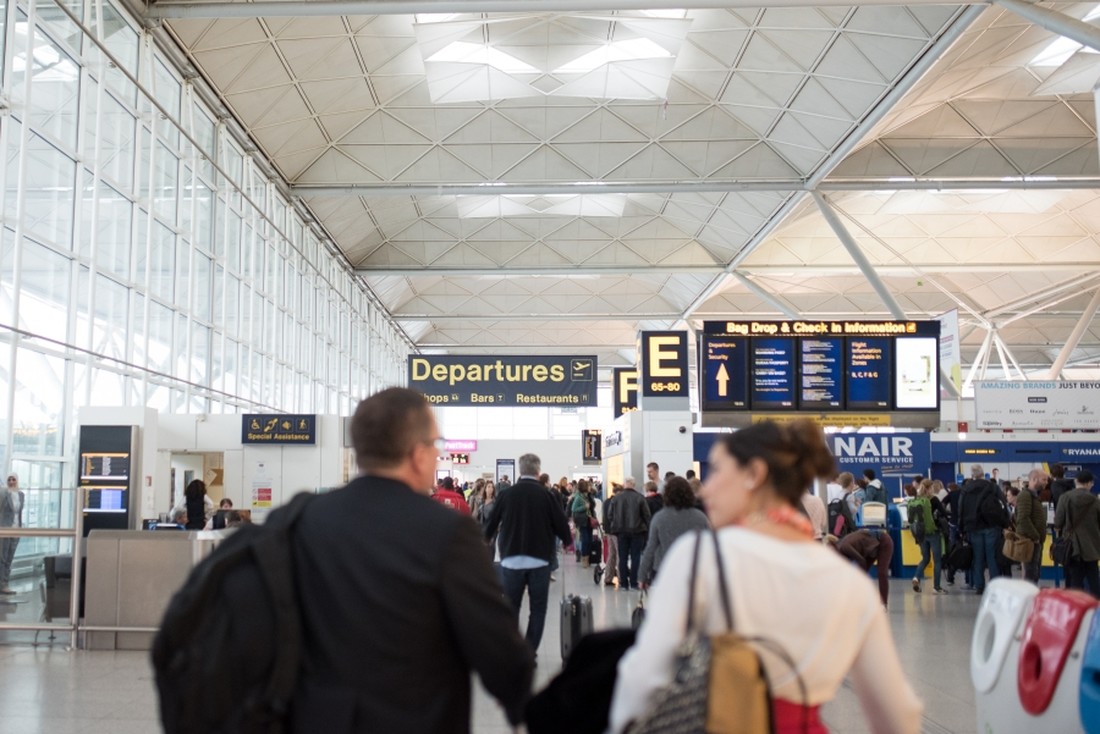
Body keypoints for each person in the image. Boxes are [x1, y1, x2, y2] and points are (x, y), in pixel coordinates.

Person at [609, 420, 920, 734]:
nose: (709, 487)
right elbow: (898, 713)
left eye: (718, 470)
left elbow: (643, 679)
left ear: (754, 474)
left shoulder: (701, 557)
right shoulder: (849, 584)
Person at [288, 388, 533, 732]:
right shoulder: (446, 531)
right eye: (436, 444)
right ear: (418, 454)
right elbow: (495, 643)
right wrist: (518, 700)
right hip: (415, 720)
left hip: (317, 719)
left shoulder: (304, 520)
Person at [484, 453, 572, 655]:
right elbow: (561, 525)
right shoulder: (547, 495)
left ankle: (512, 650)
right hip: (539, 561)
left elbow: (490, 524)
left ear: (520, 470)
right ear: (538, 471)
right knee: (538, 609)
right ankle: (529, 650)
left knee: (511, 607)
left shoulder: (507, 494)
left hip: (511, 560)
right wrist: (567, 540)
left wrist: (486, 538)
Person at [638, 477, 709, 587]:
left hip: (664, 569)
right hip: (692, 570)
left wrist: (642, 576)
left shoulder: (659, 518)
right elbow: (708, 547)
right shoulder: (700, 518)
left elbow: (650, 548)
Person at [958, 464, 1008, 594]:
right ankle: (995, 586)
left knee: (977, 557)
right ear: (982, 473)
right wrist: (1006, 524)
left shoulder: (966, 489)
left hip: (973, 527)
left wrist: (961, 528)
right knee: (992, 557)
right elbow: (1003, 504)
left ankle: (979, 586)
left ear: (972, 474)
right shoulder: (992, 487)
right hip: (992, 525)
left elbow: (961, 509)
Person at [1054, 470, 1100, 597]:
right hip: (1092, 547)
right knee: (1094, 579)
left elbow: (1058, 522)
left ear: (1076, 482)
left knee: (1074, 579)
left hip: (1071, 546)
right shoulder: (1095, 501)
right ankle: (1096, 608)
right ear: (1089, 483)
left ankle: (1075, 608)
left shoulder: (1065, 498)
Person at [605, 476, 651, 590]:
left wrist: (615, 524)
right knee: (636, 557)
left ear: (625, 484)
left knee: (623, 557)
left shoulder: (616, 498)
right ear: (634, 485)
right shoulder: (640, 498)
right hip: (637, 531)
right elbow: (647, 515)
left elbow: (610, 515)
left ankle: (623, 583)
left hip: (621, 532)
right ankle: (634, 582)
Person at [834, 528, 895, 609]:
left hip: (883, 542)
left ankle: (883, 604)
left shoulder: (845, 547)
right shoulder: (840, 546)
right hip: (870, 549)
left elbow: (862, 561)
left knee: (882, 573)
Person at [910, 479, 947, 594]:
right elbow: (944, 513)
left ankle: (916, 577)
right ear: (930, 488)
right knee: (937, 561)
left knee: (925, 558)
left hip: (921, 534)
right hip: (933, 532)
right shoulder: (934, 500)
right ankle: (936, 587)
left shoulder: (916, 499)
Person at [1016, 470, 1048, 583]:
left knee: (1034, 573)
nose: (1046, 482)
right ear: (1034, 479)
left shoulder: (1033, 496)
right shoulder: (1025, 496)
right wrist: (1035, 536)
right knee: (1030, 574)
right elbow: (1023, 518)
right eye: (1044, 479)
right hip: (1030, 542)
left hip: (1035, 541)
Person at [0, 473, 25, 595]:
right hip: (5, 528)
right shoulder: (4, 494)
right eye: (9, 479)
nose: (11, 481)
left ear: (17, 481)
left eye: (13, 479)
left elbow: (19, 513)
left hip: (16, 529)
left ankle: (5, 583)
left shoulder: (21, 495)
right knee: (2, 558)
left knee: (9, 558)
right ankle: (2, 584)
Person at [569, 479, 594, 567]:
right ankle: (584, 559)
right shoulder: (578, 497)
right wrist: (584, 507)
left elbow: (593, 506)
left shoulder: (588, 496)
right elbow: (574, 509)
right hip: (582, 521)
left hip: (589, 521)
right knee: (585, 540)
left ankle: (588, 558)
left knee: (590, 540)